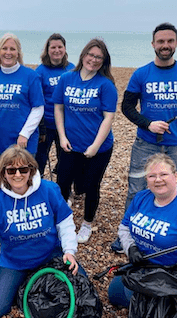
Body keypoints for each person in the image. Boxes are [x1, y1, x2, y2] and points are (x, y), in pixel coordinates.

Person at [0, 146, 82, 318]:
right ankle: (26, 284)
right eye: (11, 170)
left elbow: (65, 223)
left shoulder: (49, 189)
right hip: (14, 261)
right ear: (3, 173)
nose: (18, 175)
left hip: (51, 254)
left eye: (23, 169)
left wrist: (69, 251)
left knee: (81, 290)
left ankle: (30, 283)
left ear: (31, 170)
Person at [111, 22, 177, 253]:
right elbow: (127, 107)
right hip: (146, 145)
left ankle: (168, 237)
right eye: (161, 41)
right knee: (137, 189)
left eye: (170, 41)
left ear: (175, 43)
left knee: (172, 190)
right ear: (153, 44)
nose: (165, 45)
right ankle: (127, 235)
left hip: (176, 146)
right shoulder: (141, 73)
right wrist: (148, 123)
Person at [53, 38, 116, 243]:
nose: (94, 60)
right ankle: (63, 220)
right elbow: (59, 107)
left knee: (91, 186)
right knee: (62, 182)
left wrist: (95, 146)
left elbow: (108, 117)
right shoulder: (66, 78)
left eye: (99, 57)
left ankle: (87, 224)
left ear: (103, 61)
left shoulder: (105, 85)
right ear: (83, 55)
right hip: (70, 145)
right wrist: (62, 136)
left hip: (98, 147)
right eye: (91, 55)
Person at [108, 153, 177, 307]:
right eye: (152, 176)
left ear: (175, 176)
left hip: (169, 274)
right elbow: (124, 228)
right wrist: (130, 248)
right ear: (147, 180)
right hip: (142, 266)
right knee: (115, 294)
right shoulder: (141, 198)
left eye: (164, 174)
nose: (158, 180)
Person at [0, 33, 44, 164]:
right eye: (4, 48)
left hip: (24, 142)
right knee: (3, 178)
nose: (8, 52)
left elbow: (38, 108)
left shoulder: (31, 76)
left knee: (24, 179)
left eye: (12, 49)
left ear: (18, 53)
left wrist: (25, 133)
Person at [34, 33, 74, 175]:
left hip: (66, 123)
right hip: (46, 123)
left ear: (64, 49)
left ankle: (65, 191)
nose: (57, 50)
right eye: (53, 47)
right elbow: (36, 99)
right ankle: (36, 187)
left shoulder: (72, 69)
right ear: (48, 50)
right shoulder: (40, 71)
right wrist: (40, 126)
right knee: (40, 159)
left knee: (65, 157)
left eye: (60, 47)